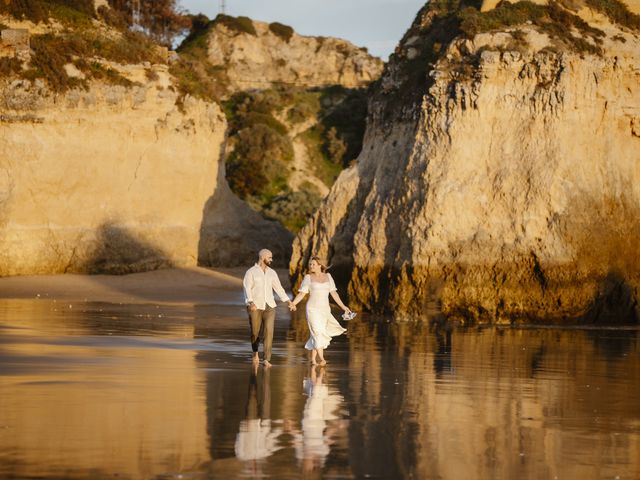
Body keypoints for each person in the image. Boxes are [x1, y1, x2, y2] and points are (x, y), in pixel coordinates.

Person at [289, 256, 351, 366]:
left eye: (313, 264)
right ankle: (322, 358)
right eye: (310, 264)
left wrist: (343, 306)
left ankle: (313, 359)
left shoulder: (328, 276)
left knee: (318, 334)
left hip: (324, 310)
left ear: (319, 265)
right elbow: (302, 293)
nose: (311, 266)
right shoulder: (308, 277)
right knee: (317, 332)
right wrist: (294, 303)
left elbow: (334, 293)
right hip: (312, 310)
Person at [243, 249, 294, 367]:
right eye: (270, 257)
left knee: (269, 331)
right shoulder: (250, 272)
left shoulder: (272, 273)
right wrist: (250, 302)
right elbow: (247, 288)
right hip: (255, 306)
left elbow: (279, 288)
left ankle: (266, 359)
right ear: (262, 257)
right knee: (255, 332)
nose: (272, 260)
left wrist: (288, 301)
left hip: (270, 306)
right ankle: (255, 352)